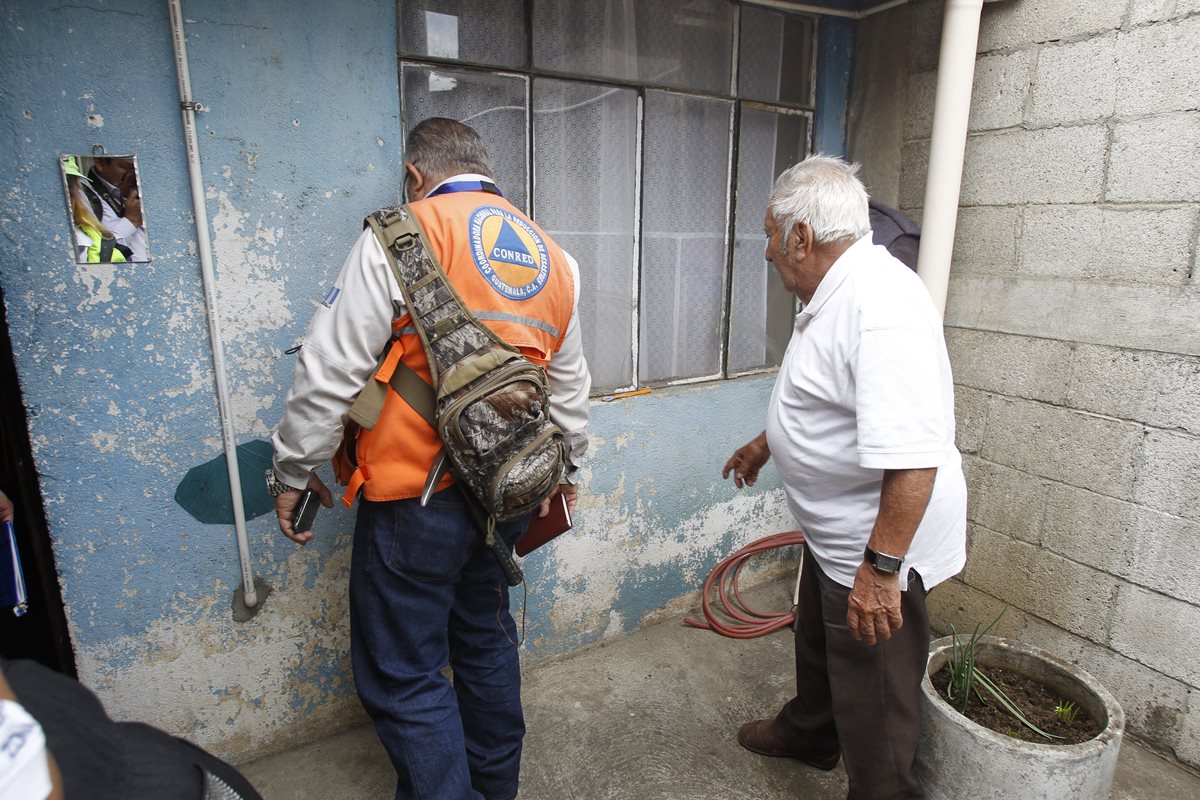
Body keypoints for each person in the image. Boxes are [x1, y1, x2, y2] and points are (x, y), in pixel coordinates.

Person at [268, 117, 591, 800]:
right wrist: (566, 477)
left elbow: (329, 371)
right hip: (505, 494)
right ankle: (495, 789)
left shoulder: (400, 235)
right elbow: (571, 389)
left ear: (415, 175)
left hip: (414, 499)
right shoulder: (555, 259)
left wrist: (294, 471)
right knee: (482, 641)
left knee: (405, 673)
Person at [723, 155, 966, 800]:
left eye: (772, 237)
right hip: (838, 540)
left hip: (874, 545)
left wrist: (881, 571)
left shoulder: (880, 303)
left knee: (876, 698)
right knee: (817, 640)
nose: (768, 253)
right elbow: (829, 401)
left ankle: (883, 788)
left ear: (801, 236)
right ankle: (811, 731)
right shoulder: (834, 288)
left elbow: (916, 454)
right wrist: (768, 442)